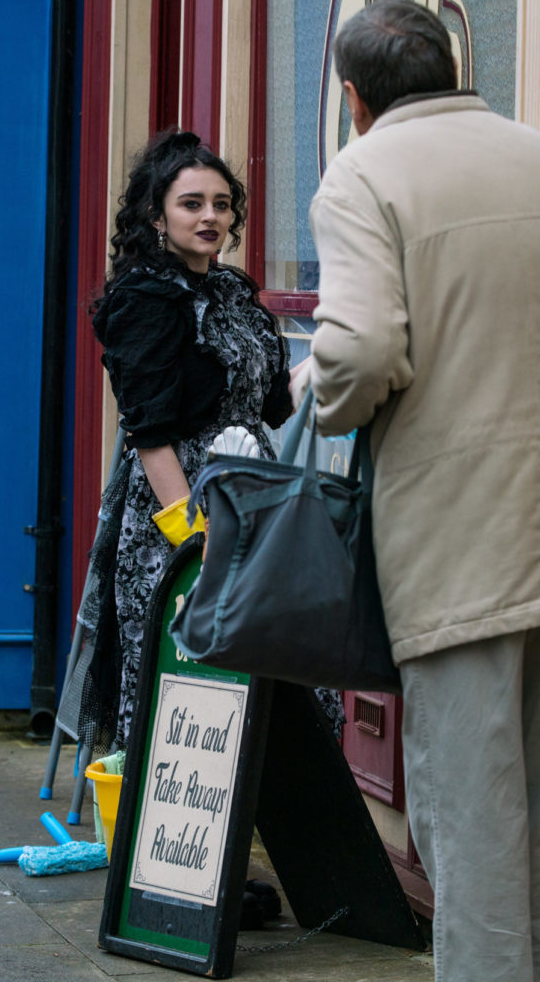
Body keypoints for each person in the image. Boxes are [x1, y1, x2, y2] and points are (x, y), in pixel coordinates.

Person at [297, 0, 540, 982]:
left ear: (353, 97)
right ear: (456, 66)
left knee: (468, 833)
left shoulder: (360, 175)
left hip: (451, 550)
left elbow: (358, 351)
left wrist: (322, 398)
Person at [73, 131, 343, 752]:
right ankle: (181, 831)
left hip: (255, 491)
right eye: (192, 203)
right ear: (156, 213)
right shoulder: (145, 299)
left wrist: (334, 352)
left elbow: (272, 403)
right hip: (183, 502)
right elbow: (149, 431)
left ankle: (274, 812)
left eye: (221, 204)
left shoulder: (234, 291)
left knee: (288, 657)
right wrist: (189, 537)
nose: (210, 217)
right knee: (189, 663)